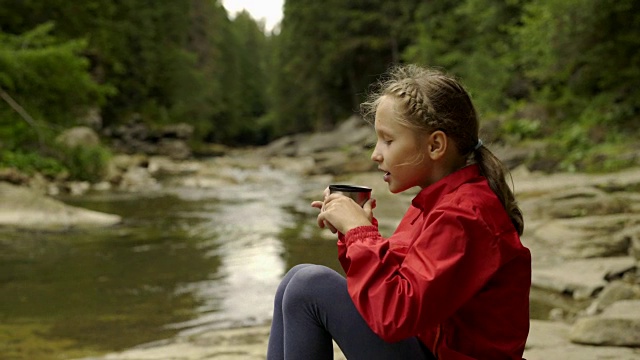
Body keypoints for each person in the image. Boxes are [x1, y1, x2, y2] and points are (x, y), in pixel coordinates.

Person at [267, 64, 531, 360]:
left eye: (388, 140)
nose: (375, 153)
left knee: (308, 286)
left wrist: (360, 234)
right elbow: (391, 287)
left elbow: (394, 315)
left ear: (435, 145)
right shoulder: (435, 204)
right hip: (427, 348)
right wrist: (352, 234)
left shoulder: (464, 214)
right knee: (295, 278)